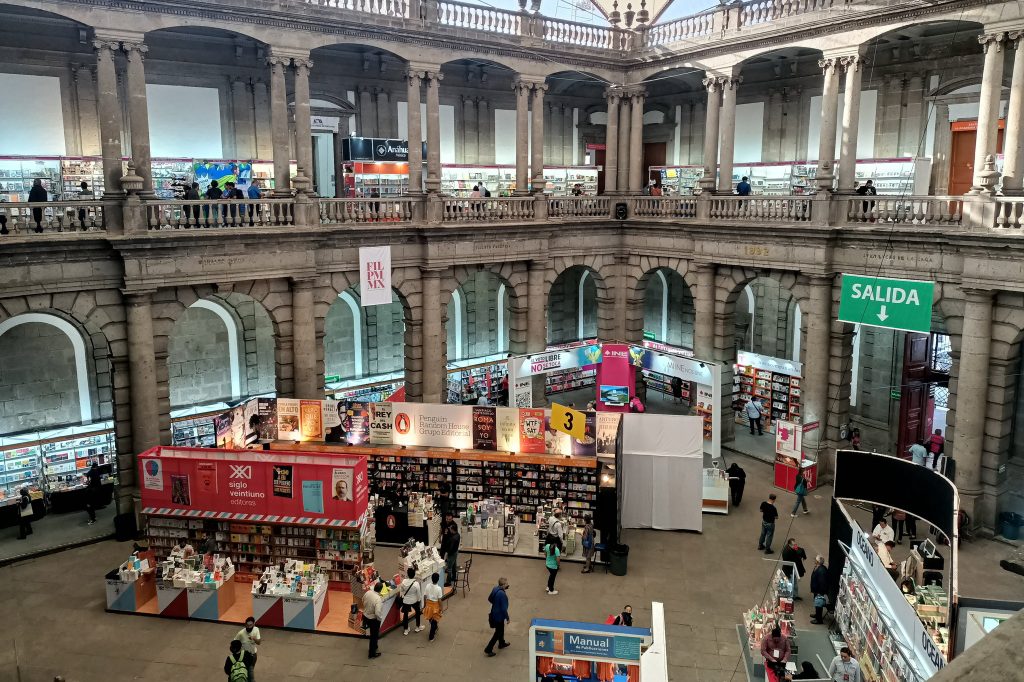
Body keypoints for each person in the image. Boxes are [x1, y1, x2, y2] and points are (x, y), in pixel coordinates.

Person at [484, 577, 511, 656]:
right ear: (503, 585)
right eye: (506, 584)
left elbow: (489, 599)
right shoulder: (501, 594)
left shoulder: (495, 588)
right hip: (499, 616)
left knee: (501, 629)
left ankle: (501, 643)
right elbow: (503, 608)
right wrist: (507, 618)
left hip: (494, 613)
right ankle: (488, 649)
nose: (507, 585)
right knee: (498, 633)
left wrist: (495, 604)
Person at [234, 616, 261, 681]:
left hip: (253, 655)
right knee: (251, 676)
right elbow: (234, 643)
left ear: (254, 624)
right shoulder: (241, 633)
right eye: (247, 625)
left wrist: (254, 638)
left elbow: (259, 642)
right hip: (244, 657)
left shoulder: (256, 629)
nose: (249, 627)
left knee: (248, 672)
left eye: (251, 625)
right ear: (245, 624)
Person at [399, 566, 425, 635]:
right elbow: (419, 594)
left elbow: (401, 590)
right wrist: (419, 601)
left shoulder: (404, 581)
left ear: (407, 574)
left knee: (405, 614)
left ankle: (406, 629)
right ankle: (418, 626)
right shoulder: (416, 584)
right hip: (414, 601)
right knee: (417, 612)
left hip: (406, 601)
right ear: (414, 575)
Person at [363, 581, 384, 658]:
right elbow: (378, 612)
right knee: (374, 636)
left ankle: (375, 646)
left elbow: (363, 599)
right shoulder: (378, 599)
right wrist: (380, 619)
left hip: (365, 616)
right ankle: (372, 653)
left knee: (373, 635)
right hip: (373, 619)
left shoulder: (368, 592)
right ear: (380, 590)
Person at [422, 572, 444, 641]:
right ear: (438, 579)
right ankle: (431, 637)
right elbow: (439, 600)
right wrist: (441, 608)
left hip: (428, 605)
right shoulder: (439, 588)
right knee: (434, 621)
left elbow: (425, 596)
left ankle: (435, 627)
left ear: (431, 579)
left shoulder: (428, 586)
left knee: (431, 619)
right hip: (435, 606)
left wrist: (425, 605)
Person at [810, 555, 828, 624]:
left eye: (815, 560)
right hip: (816, 590)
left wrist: (820, 592)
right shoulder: (818, 567)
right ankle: (817, 615)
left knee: (819, 604)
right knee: (816, 603)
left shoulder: (821, 570)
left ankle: (819, 619)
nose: (814, 560)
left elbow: (822, 582)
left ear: (817, 561)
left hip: (819, 591)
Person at [84, 461, 103, 525]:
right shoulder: (97, 471)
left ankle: (93, 519)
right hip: (96, 491)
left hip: (92, 491)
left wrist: (88, 482)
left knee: (89, 506)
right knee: (91, 505)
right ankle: (93, 518)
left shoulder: (91, 471)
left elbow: (87, 475)